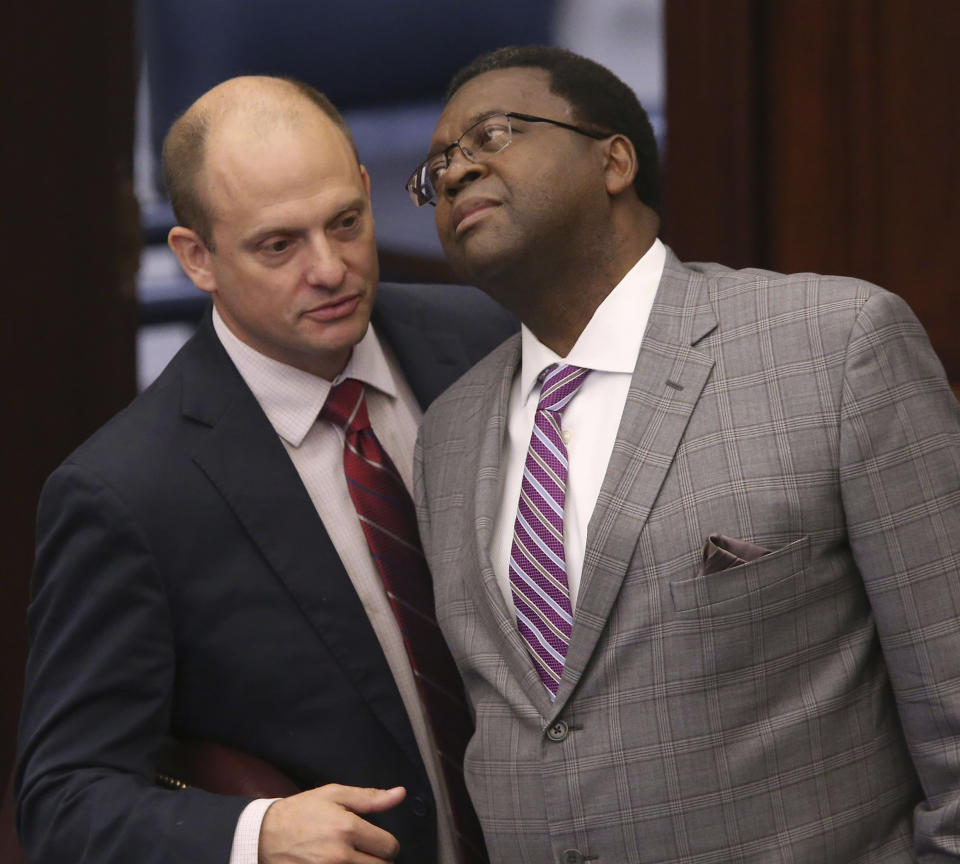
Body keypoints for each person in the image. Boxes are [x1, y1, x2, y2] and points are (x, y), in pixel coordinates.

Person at [411, 45, 960, 863]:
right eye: (437, 167)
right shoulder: (447, 436)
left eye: (492, 136)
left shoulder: (833, 345)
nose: (454, 173)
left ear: (614, 160)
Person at [16, 75, 514, 864]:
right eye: (278, 245)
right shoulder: (129, 494)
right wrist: (254, 837)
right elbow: (65, 799)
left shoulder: (487, 340)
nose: (330, 269)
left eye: (346, 222)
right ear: (196, 257)